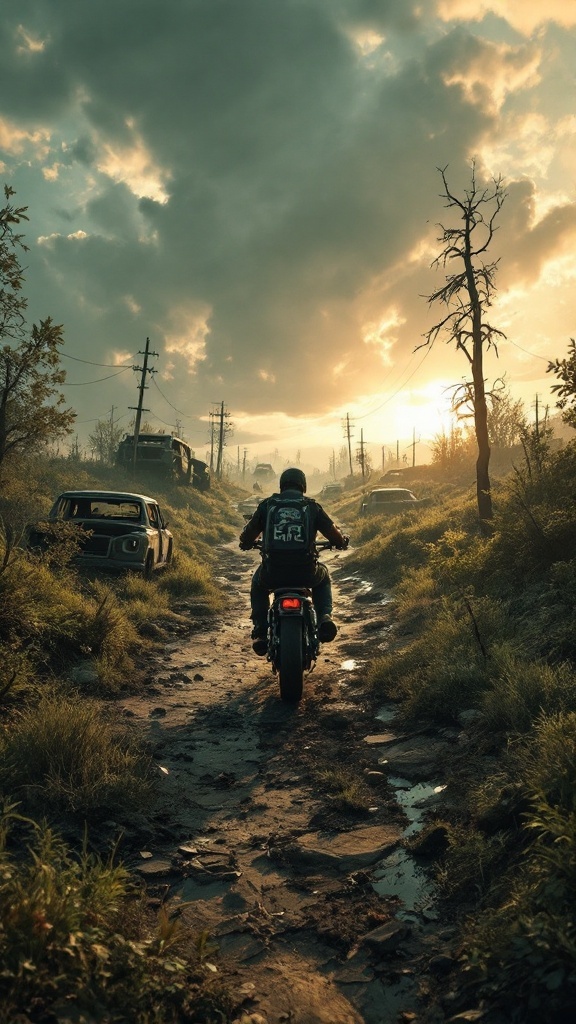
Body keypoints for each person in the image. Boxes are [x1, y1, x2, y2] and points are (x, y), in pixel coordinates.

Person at [239, 467, 349, 655]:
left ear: (282, 485)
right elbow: (334, 535)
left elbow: (248, 535)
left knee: (258, 584)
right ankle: (324, 617)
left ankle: (260, 631)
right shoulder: (311, 506)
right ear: (303, 485)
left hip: (272, 573)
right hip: (306, 572)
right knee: (323, 578)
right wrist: (340, 542)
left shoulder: (267, 505)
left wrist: (247, 543)